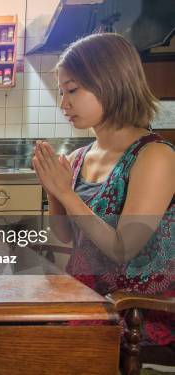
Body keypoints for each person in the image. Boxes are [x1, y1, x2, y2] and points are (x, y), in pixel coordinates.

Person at [32, 33, 174, 347]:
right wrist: (54, 189)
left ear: (110, 83)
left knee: (33, 342)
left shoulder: (155, 156)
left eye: (72, 90)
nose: (63, 103)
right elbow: (66, 235)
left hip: (133, 307)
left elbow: (124, 248)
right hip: (86, 294)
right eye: (61, 91)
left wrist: (66, 193)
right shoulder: (79, 156)